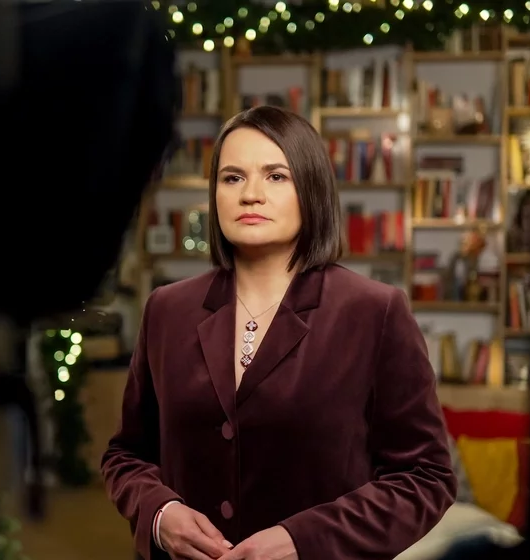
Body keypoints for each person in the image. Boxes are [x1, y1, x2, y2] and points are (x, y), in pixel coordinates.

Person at [101, 106, 457, 560]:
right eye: (232, 178)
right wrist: (159, 513)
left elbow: (426, 476)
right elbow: (126, 455)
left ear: (310, 189)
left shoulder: (374, 311)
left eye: (275, 176)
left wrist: (303, 541)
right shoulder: (166, 311)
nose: (251, 194)